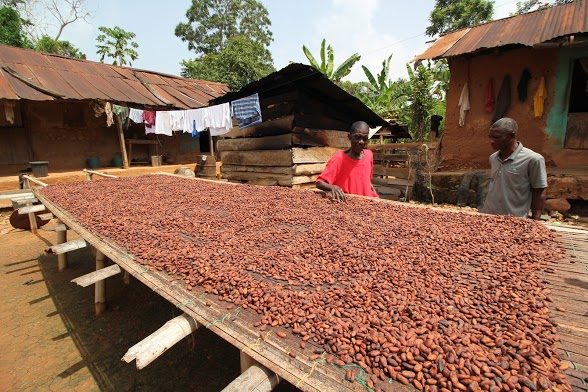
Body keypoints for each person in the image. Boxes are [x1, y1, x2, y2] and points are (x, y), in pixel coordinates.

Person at [481, 117, 547, 219]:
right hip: (488, 217)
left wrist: (535, 223)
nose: (491, 141)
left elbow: (539, 192)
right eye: (490, 137)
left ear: (511, 136)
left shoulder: (533, 159)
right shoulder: (493, 158)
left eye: (496, 137)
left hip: (514, 220)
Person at [316, 121, 379, 201]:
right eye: (357, 137)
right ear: (349, 137)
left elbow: (367, 179)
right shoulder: (339, 158)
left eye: (365, 138)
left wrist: (372, 193)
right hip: (349, 205)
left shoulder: (369, 155)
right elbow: (319, 182)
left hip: (368, 203)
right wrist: (333, 187)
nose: (361, 142)